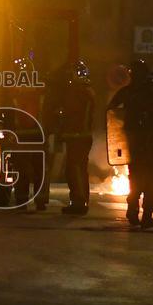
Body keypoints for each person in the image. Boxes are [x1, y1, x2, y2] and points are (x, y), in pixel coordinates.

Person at [108, 59, 153, 228]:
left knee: (139, 178)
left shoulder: (128, 92)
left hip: (140, 142)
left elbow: (110, 109)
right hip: (150, 143)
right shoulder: (151, 92)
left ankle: (135, 211)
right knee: (150, 180)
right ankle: (144, 214)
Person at [54, 60, 95, 215]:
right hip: (82, 136)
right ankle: (81, 200)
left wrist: (59, 115)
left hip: (77, 136)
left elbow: (71, 114)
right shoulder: (87, 91)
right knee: (81, 169)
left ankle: (78, 201)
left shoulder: (78, 92)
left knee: (74, 169)